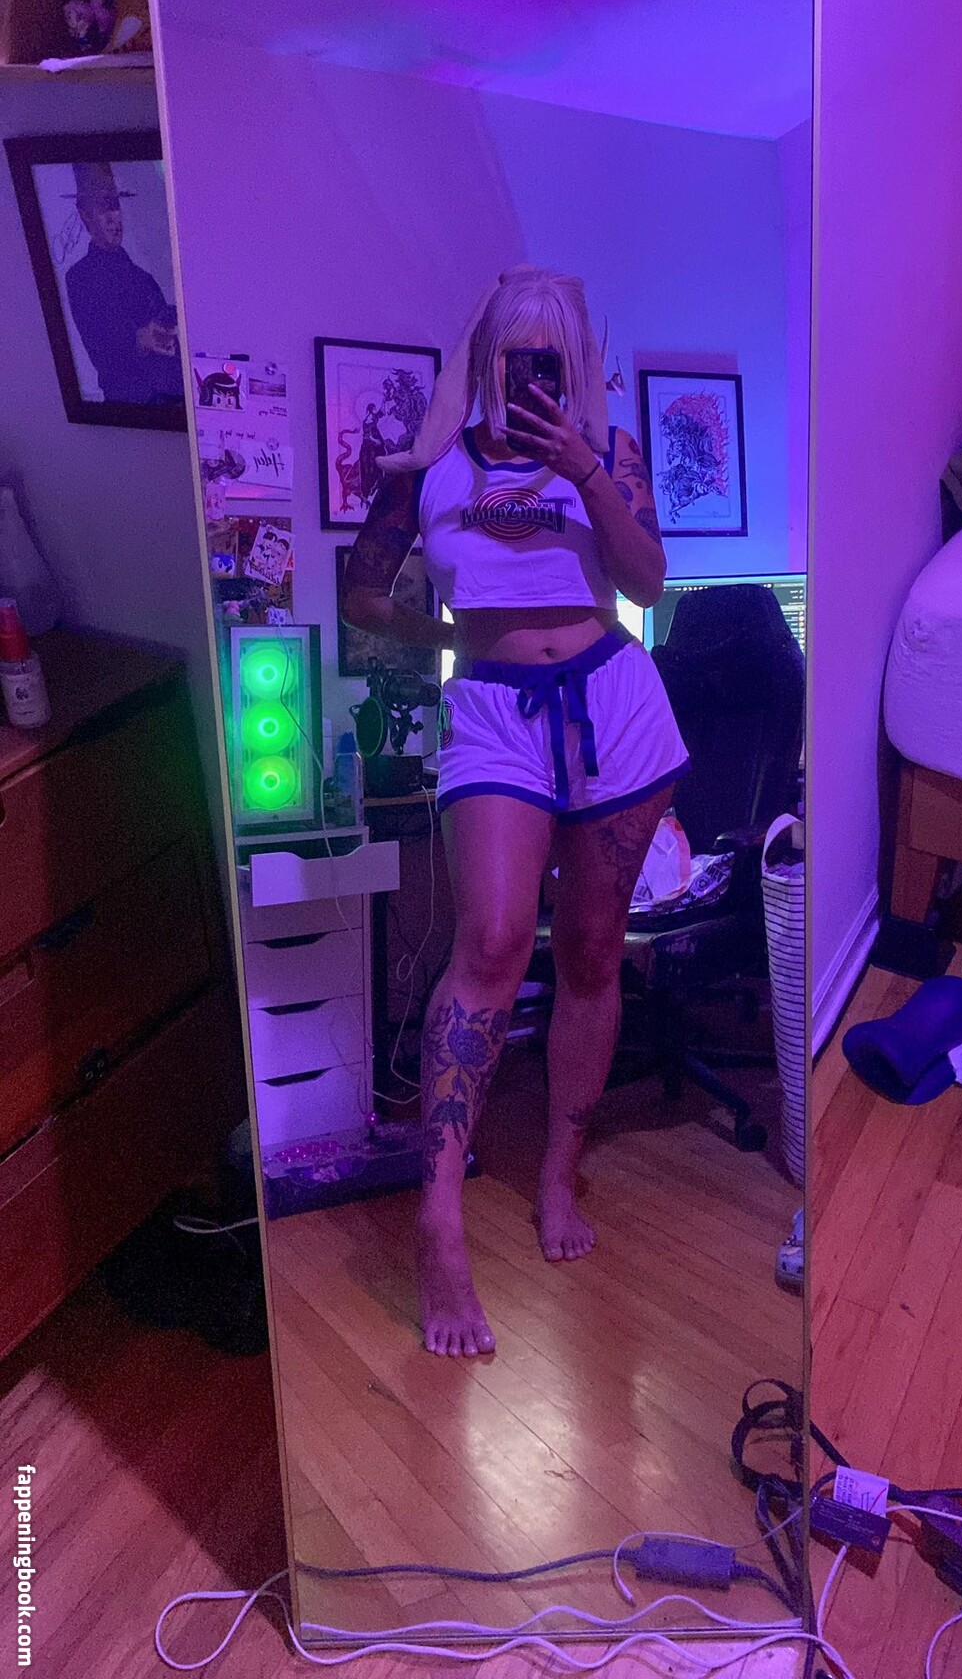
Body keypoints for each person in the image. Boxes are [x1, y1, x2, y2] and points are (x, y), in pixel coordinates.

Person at [342, 269, 689, 1358]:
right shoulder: (431, 464)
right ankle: (439, 1216)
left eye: (554, 357)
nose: (531, 373)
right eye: (513, 353)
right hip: (493, 713)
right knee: (491, 939)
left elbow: (648, 583)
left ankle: (556, 1174)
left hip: (616, 707)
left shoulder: (610, 452)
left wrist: (584, 466)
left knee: (590, 952)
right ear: (484, 355)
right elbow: (363, 590)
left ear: (575, 363)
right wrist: (452, 641)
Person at [64, 162, 184, 405]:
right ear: (85, 215)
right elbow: (101, 350)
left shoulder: (143, 278)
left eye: (115, 206)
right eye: (102, 208)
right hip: (134, 407)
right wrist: (141, 340)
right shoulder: (80, 278)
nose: (113, 218)